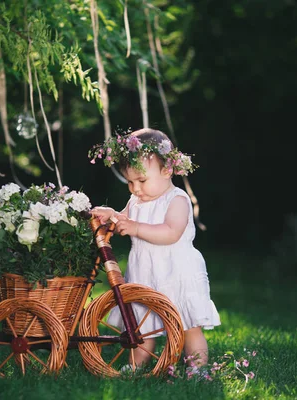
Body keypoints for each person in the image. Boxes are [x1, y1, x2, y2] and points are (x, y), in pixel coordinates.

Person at [88, 128, 221, 370]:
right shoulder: (136, 201)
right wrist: (113, 216)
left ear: (167, 170)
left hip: (176, 272)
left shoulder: (177, 200)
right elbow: (123, 222)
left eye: (141, 180)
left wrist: (136, 228)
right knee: (142, 324)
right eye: (129, 182)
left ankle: (197, 369)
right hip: (145, 272)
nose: (135, 189)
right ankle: (135, 366)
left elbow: (171, 232)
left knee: (188, 325)